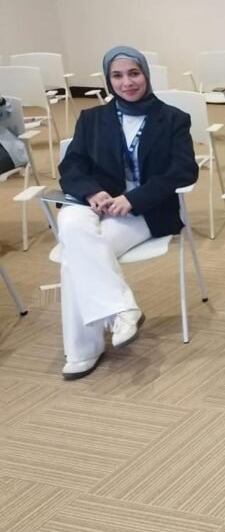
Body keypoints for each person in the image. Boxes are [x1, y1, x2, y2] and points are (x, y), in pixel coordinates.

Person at [57, 47, 198, 379]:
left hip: (142, 211)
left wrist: (133, 199)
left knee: (74, 258)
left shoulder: (173, 119)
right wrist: (92, 191)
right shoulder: (92, 118)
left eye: (134, 73)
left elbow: (183, 171)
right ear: (109, 80)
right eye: (117, 76)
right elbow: (71, 166)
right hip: (94, 203)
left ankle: (83, 350)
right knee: (71, 224)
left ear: (145, 74)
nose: (127, 82)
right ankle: (123, 310)